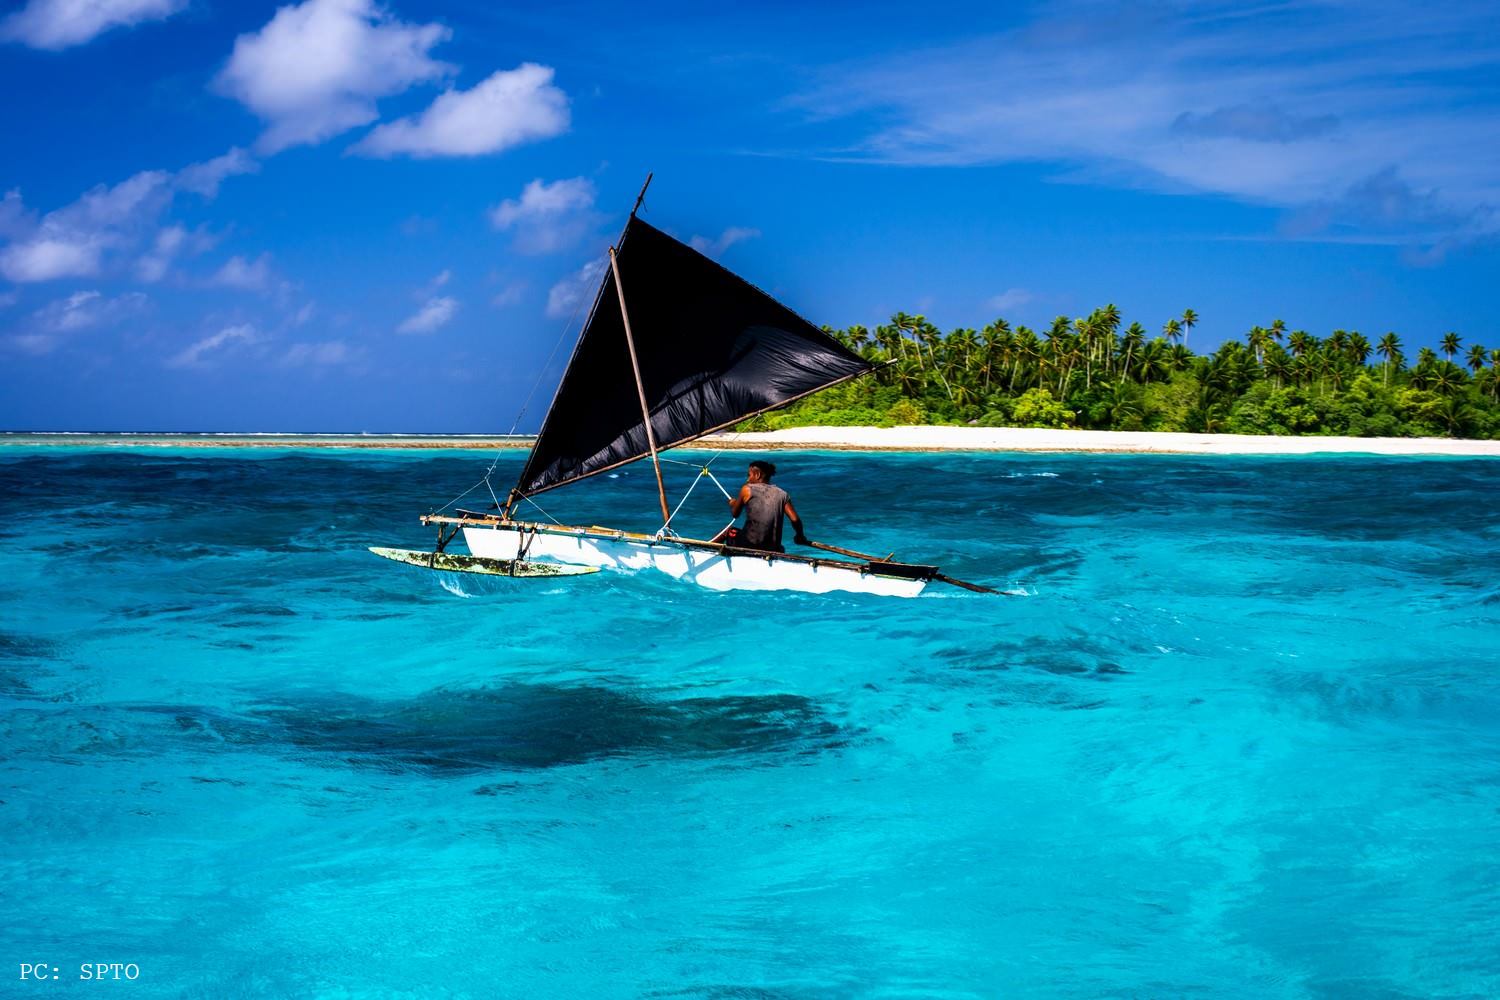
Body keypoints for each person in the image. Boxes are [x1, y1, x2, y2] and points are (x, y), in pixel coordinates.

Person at [725, 460, 808, 552]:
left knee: (729, 532)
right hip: (773, 548)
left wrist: (733, 503)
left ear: (758, 475)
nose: (747, 480)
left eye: (749, 475)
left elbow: (735, 514)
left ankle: (708, 549)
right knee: (781, 548)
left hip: (750, 544)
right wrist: (800, 535)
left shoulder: (747, 489)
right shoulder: (782, 494)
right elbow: (795, 519)